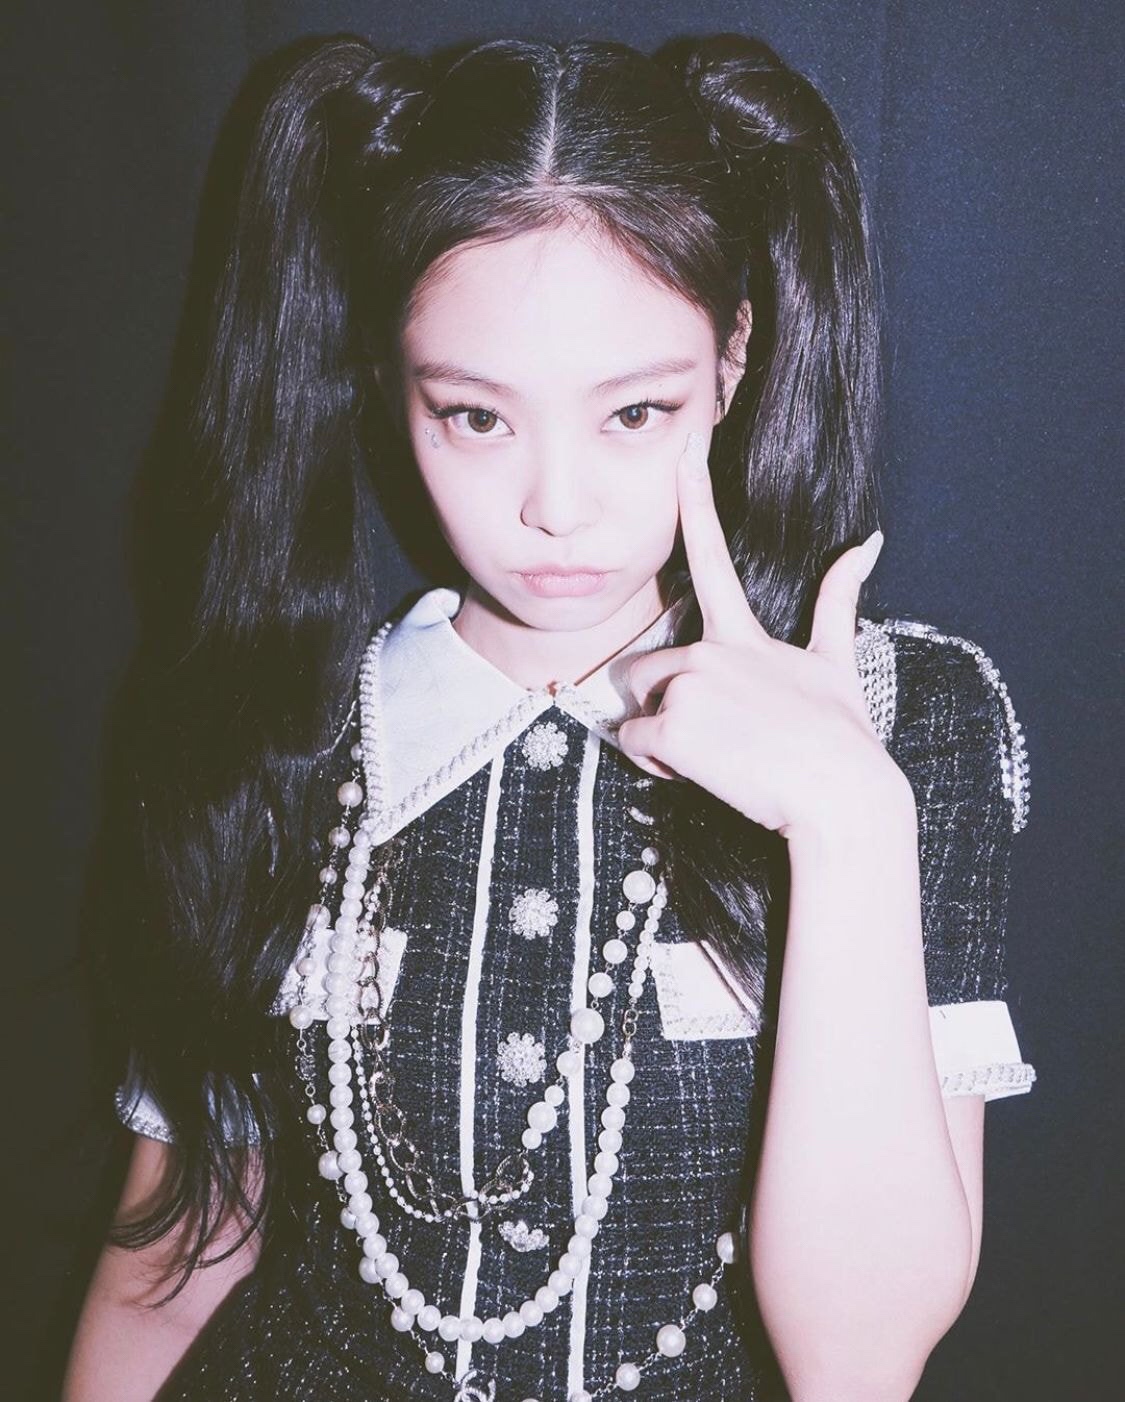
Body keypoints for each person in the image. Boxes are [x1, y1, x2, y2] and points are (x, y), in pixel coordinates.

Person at [62, 28, 1036, 1402]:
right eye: (476, 417)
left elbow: (858, 1363)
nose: (554, 508)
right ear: (388, 379)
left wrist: (848, 820)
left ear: (735, 360)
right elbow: (171, 1258)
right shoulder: (275, 730)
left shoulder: (905, 722)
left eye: (633, 412)